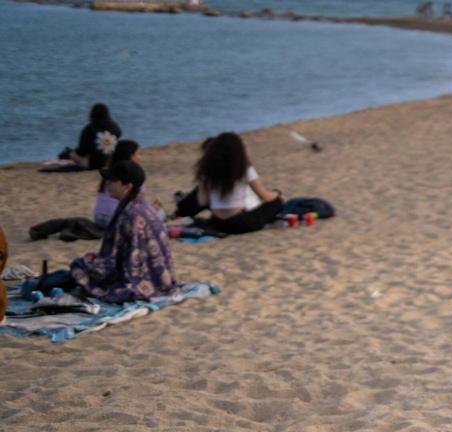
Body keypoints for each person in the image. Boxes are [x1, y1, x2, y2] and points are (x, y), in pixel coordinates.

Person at [24, 161, 177, 304]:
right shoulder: (142, 206)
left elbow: (120, 262)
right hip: (159, 277)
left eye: (112, 181)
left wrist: (89, 264)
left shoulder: (130, 215)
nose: (107, 184)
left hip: (141, 278)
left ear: (128, 186)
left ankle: (40, 286)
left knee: (79, 267)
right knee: (85, 265)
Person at [191, 133, 284, 235]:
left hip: (216, 223)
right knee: (277, 202)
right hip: (240, 224)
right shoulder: (244, 168)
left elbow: (202, 202)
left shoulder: (206, 170)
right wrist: (277, 193)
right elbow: (264, 196)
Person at [62, 103, 122, 170]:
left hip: (93, 164)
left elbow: (82, 151)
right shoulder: (115, 127)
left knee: (70, 154)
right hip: (110, 162)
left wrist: (72, 152)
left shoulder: (89, 128)